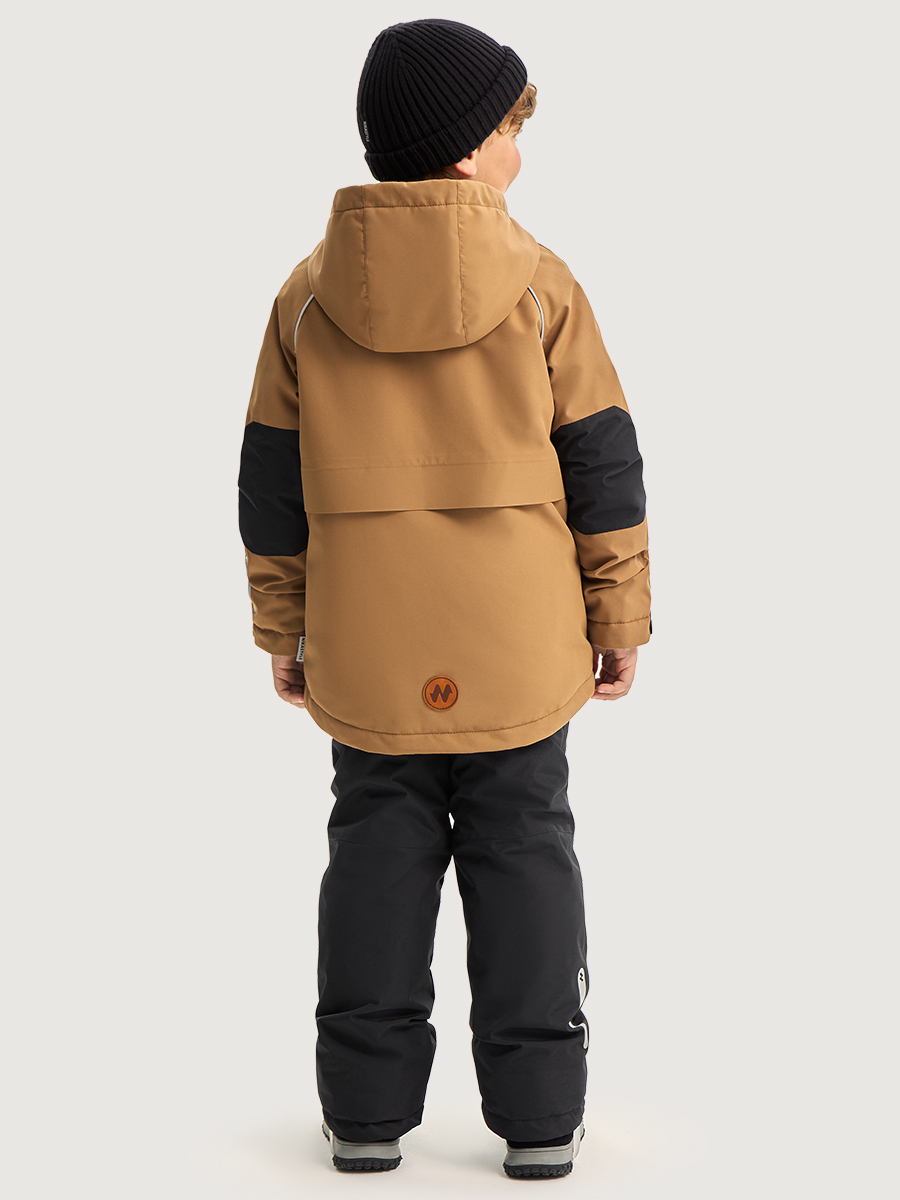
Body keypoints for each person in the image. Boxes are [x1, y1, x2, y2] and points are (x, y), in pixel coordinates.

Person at [237, 17, 652, 1180]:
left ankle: (365, 1118)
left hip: (369, 645)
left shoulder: (307, 296)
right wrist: (617, 617)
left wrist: (283, 625)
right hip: (521, 645)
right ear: (470, 149)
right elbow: (604, 467)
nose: (522, 149)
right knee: (526, 852)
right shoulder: (544, 285)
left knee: (376, 852)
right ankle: (541, 1121)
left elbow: (270, 483)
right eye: (514, 128)